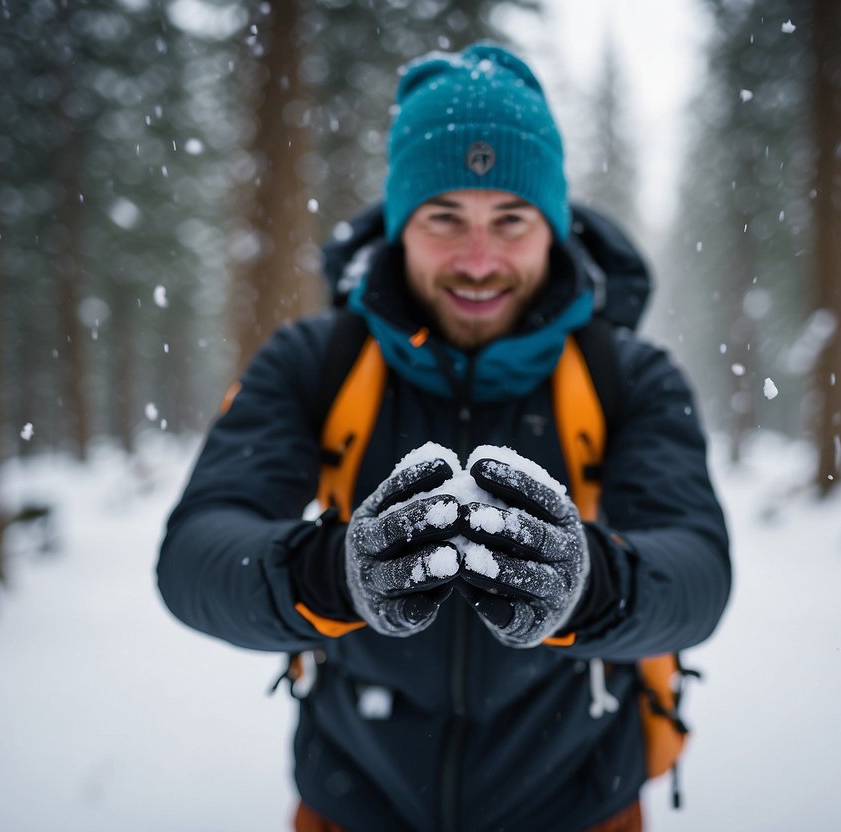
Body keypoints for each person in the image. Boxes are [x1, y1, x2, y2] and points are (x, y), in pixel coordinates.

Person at [157, 42, 730, 832]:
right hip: (352, 804)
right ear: (401, 225)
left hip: (581, 804)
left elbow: (697, 573)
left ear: (552, 226)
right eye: (443, 218)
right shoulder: (312, 363)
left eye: (511, 219)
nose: (478, 258)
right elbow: (193, 555)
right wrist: (329, 576)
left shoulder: (628, 377)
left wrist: (590, 585)